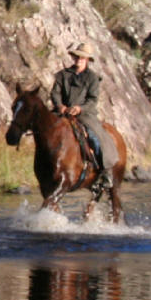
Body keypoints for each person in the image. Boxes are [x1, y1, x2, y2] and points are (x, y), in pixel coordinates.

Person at [50, 42, 118, 191]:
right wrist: (60, 105)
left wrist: (80, 108)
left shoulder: (92, 78)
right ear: (74, 57)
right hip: (62, 112)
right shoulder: (63, 75)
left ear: (87, 60)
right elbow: (55, 93)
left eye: (83, 58)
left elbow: (93, 100)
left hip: (84, 115)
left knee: (95, 137)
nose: (79, 60)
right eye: (77, 57)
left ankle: (105, 172)